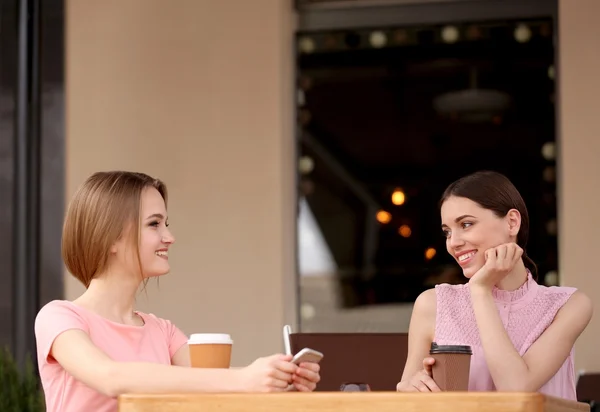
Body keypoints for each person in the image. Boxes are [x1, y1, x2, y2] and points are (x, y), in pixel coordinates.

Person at [35, 171, 320, 412]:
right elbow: (110, 376)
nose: (169, 237)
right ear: (110, 236)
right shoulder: (59, 318)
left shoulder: (163, 331)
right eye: (154, 224)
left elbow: (214, 384)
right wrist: (247, 378)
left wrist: (280, 380)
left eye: (165, 224)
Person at [396, 171, 592, 400]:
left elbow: (516, 390)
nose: (454, 243)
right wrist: (409, 390)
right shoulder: (433, 304)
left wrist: (480, 291)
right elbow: (406, 397)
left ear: (512, 222)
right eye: (447, 232)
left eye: (466, 224)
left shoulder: (568, 305)